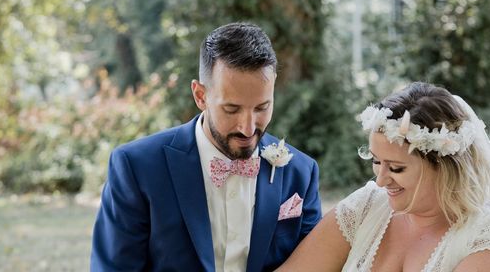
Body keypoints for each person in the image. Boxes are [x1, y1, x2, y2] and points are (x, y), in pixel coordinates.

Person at [91, 23, 322, 271]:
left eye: (261, 108)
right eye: (231, 109)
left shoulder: (301, 172)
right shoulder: (136, 167)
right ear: (200, 96)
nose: (247, 127)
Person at [277, 81, 490, 272]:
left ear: (445, 167)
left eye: (396, 168)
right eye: (376, 162)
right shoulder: (366, 207)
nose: (380, 180)